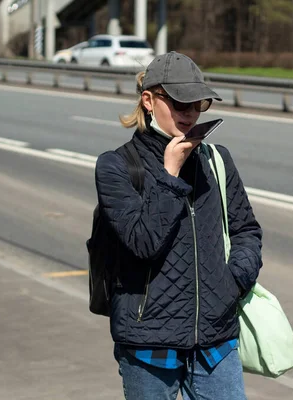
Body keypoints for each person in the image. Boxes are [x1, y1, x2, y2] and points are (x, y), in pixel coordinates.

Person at [94, 51, 263, 400]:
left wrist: (234, 284)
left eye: (197, 104)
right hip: (147, 343)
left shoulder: (217, 160)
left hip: (216, 341)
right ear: (148, 100)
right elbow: (143, 242)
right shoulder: (116, 167)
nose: (189, 114)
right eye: (179, 103)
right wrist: (170, 174)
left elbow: (246, 229)